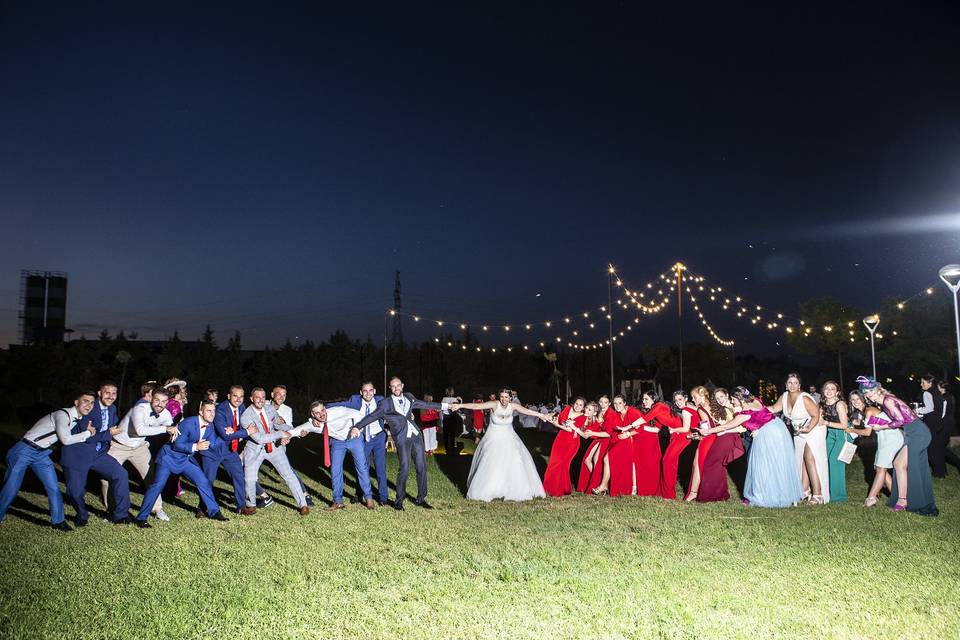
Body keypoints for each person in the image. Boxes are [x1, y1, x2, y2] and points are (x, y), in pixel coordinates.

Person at [0, 391, 98, 530]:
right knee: (11, 487)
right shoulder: (62, 415)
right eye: (85, 401)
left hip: (42, 454)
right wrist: (88, 433)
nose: (89, 405)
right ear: (76, 402)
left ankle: (58, 521)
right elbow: (66, 439)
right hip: (24, 450)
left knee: (53, 487)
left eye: (92, 402)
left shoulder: (77, 418)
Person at [352, 377, 449, 510]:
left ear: (402, 385)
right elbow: (372, 416)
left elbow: (425, 405)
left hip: (416, 436)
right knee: (404, 468)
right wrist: (357, 426)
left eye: (398, 385)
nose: (396, 388)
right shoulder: (385, 404)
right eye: (393, 386)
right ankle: (399, 501)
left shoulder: (409, 397)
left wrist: (446, 406)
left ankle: (421, 498)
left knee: (421, 467)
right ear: (390, 388)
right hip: (402, 439)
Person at [134, 400, 229, 527]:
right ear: (201, 412)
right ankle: (141, 517)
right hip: (169, 457)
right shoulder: (188, 423)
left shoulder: (210, 426)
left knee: (203, 481)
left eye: (214, 411)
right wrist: (195, 446)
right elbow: (177, 444)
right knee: (157, 485)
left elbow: (211, 444)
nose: (212, 414)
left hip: (185, 459)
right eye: (209, 410)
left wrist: (226, 436)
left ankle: (214, 512)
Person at [451, 389, 550, 502]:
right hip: (494, 438)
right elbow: (476, 406)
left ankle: (512, 488)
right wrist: (460, 405)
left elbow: (527, 411)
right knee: (491, 462)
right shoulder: (495, 404)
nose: (504, 399)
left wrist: (541, 415)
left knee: (515, 460)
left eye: (506, 397)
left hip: (510, 437)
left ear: (510, 398)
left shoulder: (513, 406)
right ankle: (490, 489)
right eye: (502, 397)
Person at [859, 376, 938, 515]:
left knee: (913, 467)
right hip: (912, 432)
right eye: (865, 391)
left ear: (878, 389)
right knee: (898, 464)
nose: (868, 393)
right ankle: (902, 500)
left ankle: (917, 502)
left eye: (871, 389)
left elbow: (900, 420)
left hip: (917, 433)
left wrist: (881, 428)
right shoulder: (885, 401)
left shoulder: (887, 400)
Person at [100, 387, 176, 521]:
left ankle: (158, 509)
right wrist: (165, 429)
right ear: (151, 399)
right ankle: (111, 510)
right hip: (119, 445)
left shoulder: (166, 414)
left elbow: (171, 430)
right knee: (106, 478)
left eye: (164, 401)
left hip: (139, 447)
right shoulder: (139, 409)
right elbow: (140, 430)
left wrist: (173, 432)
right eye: (157, 400)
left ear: (167, 402)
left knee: (152, 477)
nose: (160, 404)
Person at [60, 382, 131, 525]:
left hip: (98, 454)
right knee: (75, 492)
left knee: (121, 474)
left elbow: (112, 426)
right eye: (107, 392)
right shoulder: (89, 408)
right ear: (99, 393)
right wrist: (108, 434)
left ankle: (121, 515)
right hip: (78, 454)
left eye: (114, 393)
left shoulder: (112, 409)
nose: (110, 396)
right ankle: (82, 514)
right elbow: (86, 436)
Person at [723, 387, 803, 508]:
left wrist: (710, 430)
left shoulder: (747, 409)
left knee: (763, 465)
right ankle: (771, 493)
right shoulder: (753, 401)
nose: (731, 401)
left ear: (739, 399)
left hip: (766, 435)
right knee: (769, 464)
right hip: (774, 429)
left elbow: (736, 422)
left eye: (732, 398)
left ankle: (765, 496)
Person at [291, 402, 376, 510]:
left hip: (354, 438)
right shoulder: (314, 423)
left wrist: (358, 428)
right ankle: (337, 501)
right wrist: (285, 436)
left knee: (361, 467)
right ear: (312, 415)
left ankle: (369, 498)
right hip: (337, 442)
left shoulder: (338, 411)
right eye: (317, 413)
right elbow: (296, 430)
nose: (321, 414)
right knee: (335, 470)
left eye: (322, 410)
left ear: (325, 409)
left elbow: (357, 414)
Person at [240, 388, 310, 515]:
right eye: (257, 397)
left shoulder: (270, 409)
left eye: (263, 397)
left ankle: (303, 505)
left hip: (273, 447)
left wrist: (295, 432)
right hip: (255, 449)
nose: (260, 400)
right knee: (249, 477)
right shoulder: (246, 416)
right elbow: (259, 438)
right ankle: (250, 506)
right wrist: (280, 434)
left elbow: (279, 425)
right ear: (251, 399)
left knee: (289, 474)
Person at [327, 382, 390, 505]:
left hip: (378, 437)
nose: (368, 393)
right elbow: (340, 404)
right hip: (364, 438)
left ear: (374, 391)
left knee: (380, 468)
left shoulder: (380, 400)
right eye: (365, 391)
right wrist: (323, 407)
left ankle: (383, 498)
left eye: (370, 390)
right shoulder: (355, 400)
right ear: (361, 392)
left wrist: (409, 415)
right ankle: (359, 494)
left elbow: (394, 408)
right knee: (361, 467)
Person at [767, 373, 827, 504]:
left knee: (809, 457)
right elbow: (773, 408)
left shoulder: (804, 397)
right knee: (801, 460)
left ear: (799, 385)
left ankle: (818, 494)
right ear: (786, 385)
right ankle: (804, 491)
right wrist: (756, 410)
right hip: (799, 432)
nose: (792, 385)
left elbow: (816, 415)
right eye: (790, 382)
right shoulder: (784, 397)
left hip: (814, 429)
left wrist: (808, 429)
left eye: (795, 383)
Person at [203, 385, 259, 515]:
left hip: (230, 450)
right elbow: (225, 435)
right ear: (229, 396)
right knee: (208, 480)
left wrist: (238, 431)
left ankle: (241, 506)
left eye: (241, 396)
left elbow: (246, 425)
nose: (238, 399)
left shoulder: (242, 408)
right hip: (214, 450)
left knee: (238, 476)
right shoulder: (220, 410)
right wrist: (246, 432)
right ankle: (202, 507)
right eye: (235, 396)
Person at [694, 388, 745, 503]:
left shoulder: (734, 407)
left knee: (711, 463)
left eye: (721, 397)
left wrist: (724, 431)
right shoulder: (723, 407)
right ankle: (720, 495)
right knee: (716, 464)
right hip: (722, 437)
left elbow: (742, 427)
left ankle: (711, 496)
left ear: (727, 395)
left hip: (729, 438)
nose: (719, 400)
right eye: (717, 398)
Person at [849, 404, 904, 507]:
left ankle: (871, 498)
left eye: (858, 399)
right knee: (880, 469)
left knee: (880, 469)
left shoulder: (869, 410)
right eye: (852, 399)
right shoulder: (865, 413)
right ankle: (898, 496)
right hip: (884, 438)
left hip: (891, 438)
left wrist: (851, 430)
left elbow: (867, 432)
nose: (855, 402)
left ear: (863, 399)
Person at [594, 395, 645, 497]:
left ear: (625, 403)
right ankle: (608, 486)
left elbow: (641, 428)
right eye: (615, 403)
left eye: (620, 403)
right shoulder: (616, 414)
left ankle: (604, 486)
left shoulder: (633, 412)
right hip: (619, 439)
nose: (617, 406)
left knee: (606, 458)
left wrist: (628, 434)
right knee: (607, 459)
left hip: (631, 439)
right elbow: (612, 426)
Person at [637, 391, 680, 497]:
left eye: (646, 399)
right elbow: (657, 427)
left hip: (681, 434)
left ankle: (669, 494)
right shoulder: (653, 410)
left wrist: (629, 427)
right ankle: (665, 492)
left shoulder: (658, 407)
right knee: (667, 462)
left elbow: (649, 423)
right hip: (674, 435)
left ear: (654, 399)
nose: (644, 401)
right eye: (643, 399)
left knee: (668, 462)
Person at [542, 397, 586, 497]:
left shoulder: (583, 417)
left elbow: (570, 430)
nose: (577, 406)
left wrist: (557, 425)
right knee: (554, 462)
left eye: (580, 405)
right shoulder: (567, 409)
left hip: (572, 443)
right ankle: (550, 487)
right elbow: (560, 418)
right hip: (560, 440)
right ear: (573, 403)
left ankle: (558, 489)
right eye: (576, 403)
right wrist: (553, 418)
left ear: (583, 407)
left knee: (562, 464)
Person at [920, 375, 960, 477]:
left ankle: (947, 467)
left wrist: (937, 421)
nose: (936, 389)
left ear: (942, 388)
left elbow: (941, 412)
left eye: (937, 387)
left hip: (944, 425)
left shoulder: (945, 398)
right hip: (947, 424)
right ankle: (942, 470)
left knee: (938, 449)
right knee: (939, 448)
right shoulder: (948, 396)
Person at [659, 391, 697, 500]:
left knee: (667, 460)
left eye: (680, 399)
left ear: (685, 398)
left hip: (683, 437)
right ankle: (668, 492)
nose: (677, 402)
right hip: (686, 436)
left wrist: (673, 430)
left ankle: (668, 494)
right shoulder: (690, 406)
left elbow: (685, 428)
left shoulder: (685, 410)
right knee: (669, 461)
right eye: (676, 400)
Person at [820, 381, 851, 503]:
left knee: (835, 461)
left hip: (843, 434)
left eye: (832, 389)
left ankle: (839, 497)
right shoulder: (822, 404)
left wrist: (826, 423)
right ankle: (826, 492)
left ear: (837, 392)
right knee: (824, 460)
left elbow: (844, 425)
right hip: (831, 433)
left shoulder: (839, 404)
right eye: (826, 388)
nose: (829, 391)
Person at [684, 386, 715, 501]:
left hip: (708, 439)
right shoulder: (713, 405)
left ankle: (693, 493)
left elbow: (706, 429)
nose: (693, 399)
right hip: (715, 437)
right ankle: (698, 491)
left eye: (694, 397)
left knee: (697, 465)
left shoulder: (701, 409)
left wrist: (696, 435)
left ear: (702, 395)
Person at [576, 396, 613, 494]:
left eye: (605, 402)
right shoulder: (591, 416)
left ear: (609, 404)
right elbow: (584, 433)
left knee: (595, 460)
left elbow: (607, 432)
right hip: (597, 439)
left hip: (603, 439)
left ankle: (602, 485)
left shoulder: (601, 416)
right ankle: (599, 482)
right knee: (587, 460)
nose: (602, 404)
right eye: (601, 402)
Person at [440, 387, 463, 455]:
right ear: (452, 392)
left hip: (446, 417)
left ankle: (447, 449)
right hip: (453, 417)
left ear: (446, 392)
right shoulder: (455, 399)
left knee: (446, 434)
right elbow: (458, 408)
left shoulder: (444, 399)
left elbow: (441, 408)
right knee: (452, 434)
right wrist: (461, 400)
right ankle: (452, 449)